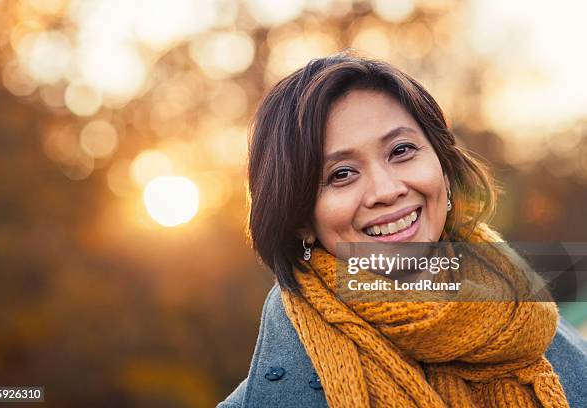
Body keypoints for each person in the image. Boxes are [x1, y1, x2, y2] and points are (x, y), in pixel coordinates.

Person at [218, 52, 587, 407]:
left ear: (443, 167)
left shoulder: (543, 331)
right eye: (341, 174)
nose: (386, 190)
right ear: (300, 221)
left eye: (401, 150)